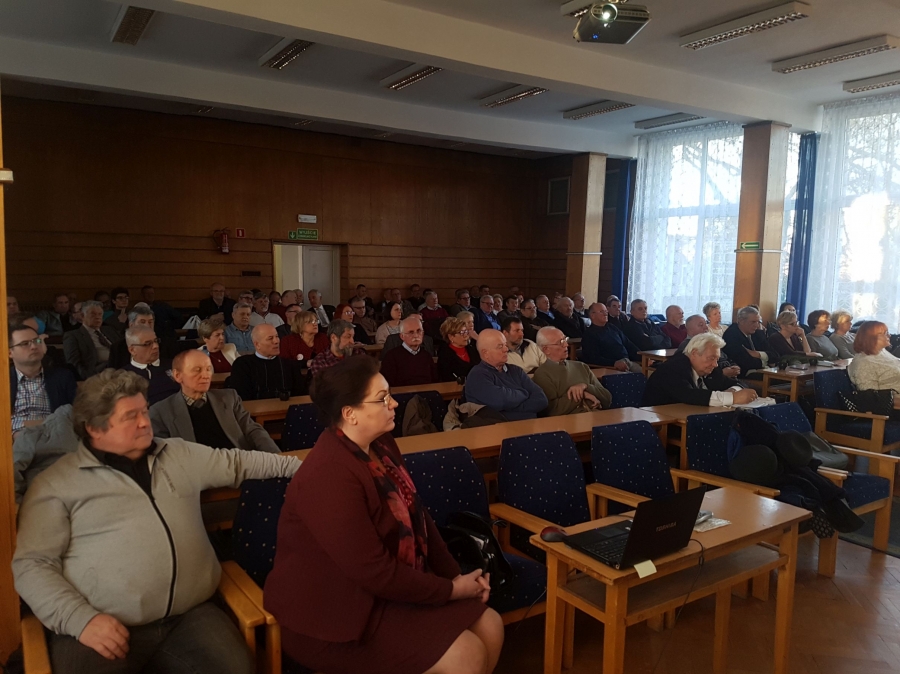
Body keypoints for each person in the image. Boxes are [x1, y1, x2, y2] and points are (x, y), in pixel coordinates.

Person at [13, 369, 300, 674]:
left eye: (144, 410)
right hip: (98, 624)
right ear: (94, 428)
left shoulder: (177, 454)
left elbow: (238, 462)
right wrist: (80, 620)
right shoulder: (56, 485)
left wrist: (300, 467)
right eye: (130, 416)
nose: (144, 421)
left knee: (237, 669)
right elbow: (33, 565)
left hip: (189, 614)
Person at [264, 356, 503, 674]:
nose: (394, 403)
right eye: (382, 398)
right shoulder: (328, 474)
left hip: (389, 591)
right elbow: (373, 571)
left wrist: (455, 576)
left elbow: (418, 516)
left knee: (491, 625)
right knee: (465, 655)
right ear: (349, 414)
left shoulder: (381, 443)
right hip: (336, 614)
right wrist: (451, 591)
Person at [150, 350, 279, 453]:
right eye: (197, 370)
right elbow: (165, 456)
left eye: (208, 369)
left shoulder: (229, 397)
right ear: (178, 376)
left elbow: (252, 430)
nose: (205, 375)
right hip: (197, 472)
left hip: (239, 463)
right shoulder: (160, 412)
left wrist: (276, 456)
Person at [642, 334, 757, 407]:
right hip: (663, 425)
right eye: (711, 358)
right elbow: (689, 395)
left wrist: (733, 391)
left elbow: (739, 383)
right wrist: (733, 398)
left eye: (717, 359)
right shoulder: (673, 368)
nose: (715, 364)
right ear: (694, 353)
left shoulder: (710, 368)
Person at [464, 329, 548, 421]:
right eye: (500, 346)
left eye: (505, 345)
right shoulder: (477, 376)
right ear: (485, 353)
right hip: (497, 428)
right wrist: (525, 393)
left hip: (531, 425)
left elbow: (542, 400)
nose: (506, 349)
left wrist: (510, 408)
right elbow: (500, 401)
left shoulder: (516, 370)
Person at [9, 323, 77, 434]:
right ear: (9, 352)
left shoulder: (63, 377)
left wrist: (24, 424)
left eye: (37, 341)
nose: (34, 346)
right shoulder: (4, 380)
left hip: (54, 436)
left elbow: (76, 415)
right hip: (13, 440)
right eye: (25, 344)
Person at [532, 327, 611, 416]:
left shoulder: (581, 366)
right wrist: (582, 394)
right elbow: (551, 411)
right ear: (546, 349)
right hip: (570, 421)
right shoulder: (542, 374)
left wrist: (585, 386)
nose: (566, 345)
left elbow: (607, 399)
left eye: (565, 339)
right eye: (560, 342)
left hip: (597, 416)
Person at [229, 324, 307, 400]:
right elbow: (241, 397)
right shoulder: (243, 365)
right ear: (257, 344)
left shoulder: (289, 365)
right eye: (270, 338)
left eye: (277, 336)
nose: (276, 341)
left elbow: (300, 395)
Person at [121, 326, 180, 405]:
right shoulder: (123, 376)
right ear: (132, 350)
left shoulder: (176, 365)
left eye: (156, 341)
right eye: (148, 344)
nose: (156, 346)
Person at [63, 300, 119, 380]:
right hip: (96, 374)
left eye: (100, 314)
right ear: (82, 316)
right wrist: (88, 378)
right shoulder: (73, 336)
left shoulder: (110, 331)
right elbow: (73, 364)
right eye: (93, 314)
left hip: (118, 370)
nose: (97, 317)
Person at [580, 303, 641, 372]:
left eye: (606, 311)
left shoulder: (612, 327)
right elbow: (593, 358)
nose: (605, 314)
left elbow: (628, 344)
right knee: (643, 376)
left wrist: (642, 357)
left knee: (648, 373)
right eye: (601, 312)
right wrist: (614, 363)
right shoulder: (589, 334)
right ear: (592, 315)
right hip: (610, 368)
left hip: (627, 362)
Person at [674, 315, 741, 378]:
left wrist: (734, 365)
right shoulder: (687, 347)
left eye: (706, 324)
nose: (706, 327)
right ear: (690, 329)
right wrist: (721, 373)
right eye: (701, 325)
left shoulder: (710, 343)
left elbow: (725, 357)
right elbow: (692, 372)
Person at [378, 316, 438, 388]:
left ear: (423, 333)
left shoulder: (426, 356)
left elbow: (435, 381)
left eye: (419, 331)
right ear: (402, 336)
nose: (416, 335)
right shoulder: (391, 357)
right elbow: (386, 385)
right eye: (411, 332)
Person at [722, 306, 778, 378]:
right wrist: (767, 361)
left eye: (758, 322)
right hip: (744, 374)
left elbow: (776, 355)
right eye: (753, 322)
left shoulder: (757, 332)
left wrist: (759, 354)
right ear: (741, 321)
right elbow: (746, 362)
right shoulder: (731, 335)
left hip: (763, 370)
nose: (757, 325)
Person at [848, 321, 900, 395]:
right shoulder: (864, 363)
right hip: (893, 400)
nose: (889, 335)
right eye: (885, 333)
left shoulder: (882, 352)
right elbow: (870, 397)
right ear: (871, 338)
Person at [437, 317, 480, 382]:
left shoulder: (472, 350)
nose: (466, 335)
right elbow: (446, 378)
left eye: (466, 331)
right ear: (451, 337)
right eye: (462, 332)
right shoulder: (445, 355)